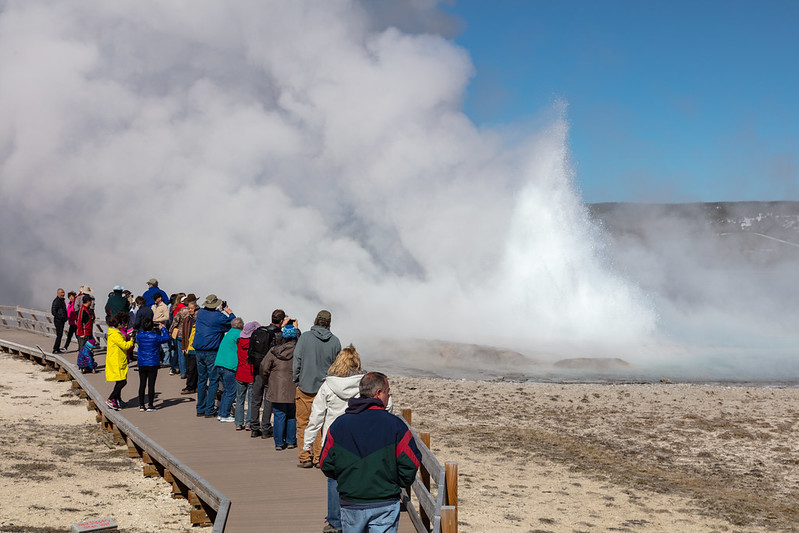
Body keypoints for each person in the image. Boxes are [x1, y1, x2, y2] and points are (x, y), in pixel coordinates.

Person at [320, 373, 421, 533]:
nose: (389, 396)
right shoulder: (395, 425)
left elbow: (325, 463)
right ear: (379, 393)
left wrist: (347, 479)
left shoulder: (339, 425)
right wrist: (397, 483)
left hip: (351, 500)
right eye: (388, 392)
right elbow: (410, 461)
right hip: (384, 501)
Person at [303, 345, 368, 533]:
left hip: (332, 440)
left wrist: (308, 442)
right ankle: (357, 518)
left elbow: (316, 416)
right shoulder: (364, 385)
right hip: (358, 439)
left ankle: (335, 521)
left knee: (333, 480)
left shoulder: (328, 386)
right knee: (358, 478)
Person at [293, 309, 341, 467]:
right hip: (326, 389)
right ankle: (320, 456)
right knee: (322, 423)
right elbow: (338, 367)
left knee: (303, 423)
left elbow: (297, 360)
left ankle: (305, 456)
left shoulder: (305, 337)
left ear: (316, 320)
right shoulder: (335, 341)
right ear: (329, 323)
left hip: (305, 387)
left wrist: (296, 379)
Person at [193, 294, 236, 417]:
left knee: (201, 380)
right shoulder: (219, 317)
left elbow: (211, 319)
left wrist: (219, 311)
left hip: (198, 351)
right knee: (213, 380)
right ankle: (209, 409)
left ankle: (200, 408)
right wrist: (229, 312)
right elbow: (233, 324)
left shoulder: (200, 313)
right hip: (211, 351)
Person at [261, 323, 300, 450]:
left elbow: (264, 368)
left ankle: (278, 443)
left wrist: (266, 381)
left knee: (279, 415)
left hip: (276, 387)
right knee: (291, 415)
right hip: (294, 387)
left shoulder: (274, 351)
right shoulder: (299, 351)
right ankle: (290, 441)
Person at [248, 309, 285, 439]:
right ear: (281, 321)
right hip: (270, 372)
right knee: (268, 399)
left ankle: (254, 427)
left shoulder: (259, 331)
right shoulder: (279, 335)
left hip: (257, 369)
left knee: (255, 398)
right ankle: (265, 428)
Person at [135, 318, 170, 411]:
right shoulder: (155, 337)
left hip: (142, 362)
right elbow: (167, 338)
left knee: (142, 384)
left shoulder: (139, 336)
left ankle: (142, 405)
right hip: (153, 362)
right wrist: (163, 329)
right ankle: (150, 405)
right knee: (151, 384)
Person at [214, 317, 243, 423]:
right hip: (229, 366)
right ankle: (225, 414)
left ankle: (221, 414)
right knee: (231, 391)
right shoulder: (239, 334)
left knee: (226, 390)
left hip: (219, 364)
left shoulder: (229, 333)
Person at [105, 312, 134, 410]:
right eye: (123, 323)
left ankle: (118, 399)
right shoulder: (115, 334)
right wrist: (131, 340)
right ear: (119, 324)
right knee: (122, 382)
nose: (125, 325)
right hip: (116, 361)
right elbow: (125, 346)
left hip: (118, 359)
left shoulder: (115, 333)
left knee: (119, 381)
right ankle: (111, 398)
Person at [234, 321, 259, 430]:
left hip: (240, 373)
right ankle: (249, 423)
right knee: (251, 400)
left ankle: (239, 423)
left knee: (240, 399)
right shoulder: (254, 344)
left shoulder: (239, 342)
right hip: (250, 374)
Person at [151, 292, 170, 366]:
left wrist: (157, 320)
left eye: (156, 298)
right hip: (154, 327)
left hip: (161, 326)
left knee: (164, 346)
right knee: (156, 345)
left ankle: (166, 361)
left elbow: (167, 317)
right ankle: (158, 360)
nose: (154, 299)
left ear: (160, 298)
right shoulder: (153, 306)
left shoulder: (164, 306)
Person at [51, 288, 68, 353]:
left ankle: (57, 348)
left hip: (62, 320)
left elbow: (64, 310)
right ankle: (55, 348)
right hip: (58, 320)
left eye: (63, 292)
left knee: (60, 334)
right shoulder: (56, 301)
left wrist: (65, 317)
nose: (63, 294)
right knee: (59, 334)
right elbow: (53, 312)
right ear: (58, 293)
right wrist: (60, 317)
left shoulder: (62, 300)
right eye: (61, 293)